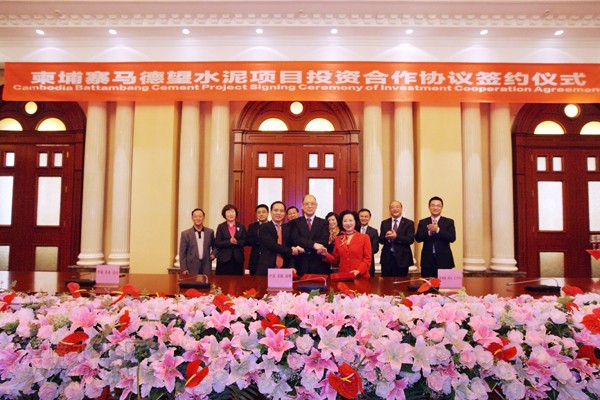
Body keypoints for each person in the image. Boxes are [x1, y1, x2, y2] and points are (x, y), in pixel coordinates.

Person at [256, 201, 303, 276]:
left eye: (281, 211)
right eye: (276, 210)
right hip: (266, 268)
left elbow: (291, 246)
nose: (278, 213)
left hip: (285, 268)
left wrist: (292, 266)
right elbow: (272, 245)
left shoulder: (288, 228)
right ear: (271, 212)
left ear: (284, 214)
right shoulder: (264, 227)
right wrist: (291, 250)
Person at [322, 210, 372, 278]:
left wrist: (358, 271)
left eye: (350, 220)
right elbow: (335, 260)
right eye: (345, 221)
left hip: (361, 276)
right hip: (343, 276)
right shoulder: (338, 239)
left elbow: (367, 259)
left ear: (355, 222)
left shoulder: (364, 237)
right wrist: (326, 254)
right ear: (341, 223)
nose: (348, 223)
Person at [415, 196, 456, 278]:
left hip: (444, 260)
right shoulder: (423, 222)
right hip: (427, 261)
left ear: (441, 207)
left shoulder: (449, 222)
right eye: (433, 205)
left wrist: (437, 230)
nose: (435, 208)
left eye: (438, 206)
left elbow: (452, 238)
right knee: (428, 284)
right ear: (429, 207)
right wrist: (429, 232)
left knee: (445, 285)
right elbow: (418, 238)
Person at [289, 194, 330, 276]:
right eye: (307, 204)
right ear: (302, 206)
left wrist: (304, 249)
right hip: (300, 265)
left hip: (319, 265)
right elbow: (296, 239)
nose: (310, 206)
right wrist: (314, 245)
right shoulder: (295, 222)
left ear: (316, 205)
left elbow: (323, 241)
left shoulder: (323, 223)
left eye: (312, 203)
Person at [378, 200, 414, 277]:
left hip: (402, 259)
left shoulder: (409, 223)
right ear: (389, 209)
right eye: (392, 207)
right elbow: (381, 240)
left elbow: (410, 240)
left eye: (397, 207)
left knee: (401, 282)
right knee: (386, 282)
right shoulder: (385, 223)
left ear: (401, 208)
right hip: (387, 259)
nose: (395, 209)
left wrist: (396, 237)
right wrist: (387, 237)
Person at [178, 208, 216, 275]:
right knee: (192, 282)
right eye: (195, 216)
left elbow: (215, 246)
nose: (198, 218)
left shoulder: (210, 232)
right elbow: (182, 253)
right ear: (192, 218)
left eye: (200, 216)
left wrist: (213, 254)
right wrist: (184, 268)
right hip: (191, 267)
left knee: (206, 281)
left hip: (206, 266)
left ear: (203, 217)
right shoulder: (185, 234)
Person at [214, 204, 247, 275]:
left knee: (237, 280)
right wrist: (229, 242)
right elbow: (217, 242)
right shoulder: (221, 226)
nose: (231, 214)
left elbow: (245, 241)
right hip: (223, 259)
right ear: (224, 214)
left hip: (237, 259)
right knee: (222, 280)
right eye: (228, 212)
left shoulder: (241, 226)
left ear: (236, 213)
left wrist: (237, 242)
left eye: (232, 212)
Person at [246, 203, 269, 275]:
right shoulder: (252, 226)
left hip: (268, 259)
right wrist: (259, 238)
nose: (261, 214)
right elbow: (248, 241)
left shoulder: (272, 226)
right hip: (255, 259)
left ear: (268, 213)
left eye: (263, 212)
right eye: (259, 212)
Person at [358, 208, 380, 277]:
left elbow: (375, 248)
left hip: (369, 263)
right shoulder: (354, 229)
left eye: (366, 216)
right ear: (358, 217)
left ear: (369, 218)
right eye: (362, 216)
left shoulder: (374, 231)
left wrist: (363, 252)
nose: (364, 218)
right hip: (356, 262)